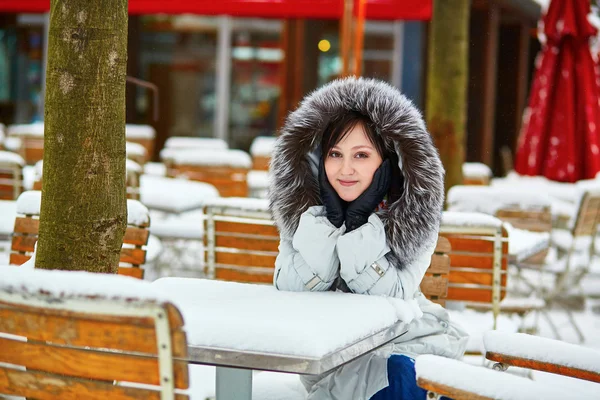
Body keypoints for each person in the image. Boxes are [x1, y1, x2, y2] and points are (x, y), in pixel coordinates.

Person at [268, 77, 468, 400]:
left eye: (361, 155)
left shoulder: (412, 213)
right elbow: (288, 287)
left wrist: (361, 225)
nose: (345, 169)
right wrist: (331, 221)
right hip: (332, 363)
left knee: (405, 380)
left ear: (385, 161)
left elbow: (394, 295)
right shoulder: (304, 213)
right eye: (335, 154)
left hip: (404, 343)